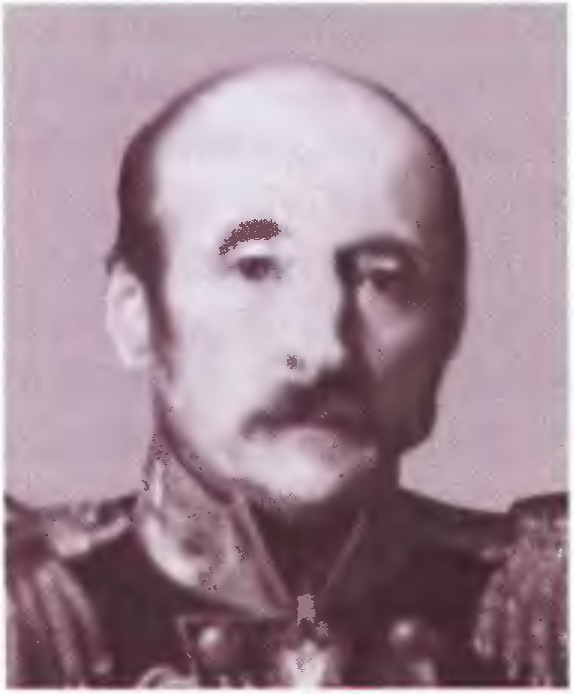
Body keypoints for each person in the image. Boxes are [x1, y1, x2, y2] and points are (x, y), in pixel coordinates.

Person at [7, 62, 567, 687]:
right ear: (133, 313)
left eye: (382, 279)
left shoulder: (548, 614)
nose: (323, 349)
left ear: (450, 323)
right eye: (255, 269)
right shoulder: (24, 621)